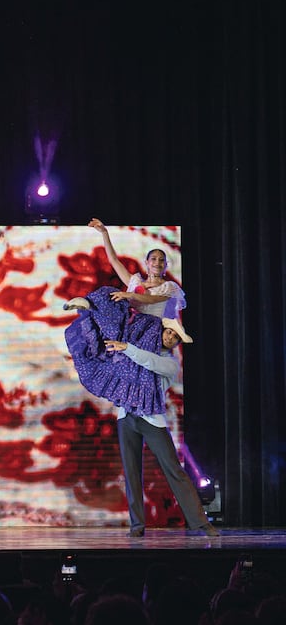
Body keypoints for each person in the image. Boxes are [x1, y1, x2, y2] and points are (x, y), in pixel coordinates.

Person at [102, 318, 218, 537]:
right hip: (127, 416)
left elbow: (149, 362)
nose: (170, 338)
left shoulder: (171, 364)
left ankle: (202, 523)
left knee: (173, 469)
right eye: (168, 333)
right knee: (131, 473)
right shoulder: (140, 346)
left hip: (152, 420)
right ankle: (137, 526)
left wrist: (127, 347)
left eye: (175, 337)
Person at [63, 218, 188, 416]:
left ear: (165, 265)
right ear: (147, 263)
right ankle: (87, 306)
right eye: (153, 259)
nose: (157, 262)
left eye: (161, 260)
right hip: (129, 328)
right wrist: (104, 233)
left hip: (149, 333)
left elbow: (151, 299)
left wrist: (130, 295)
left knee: (135, 374)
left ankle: (138, 418)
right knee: (110, 295)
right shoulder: (135, 280)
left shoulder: (169, 287)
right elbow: (114, 261)